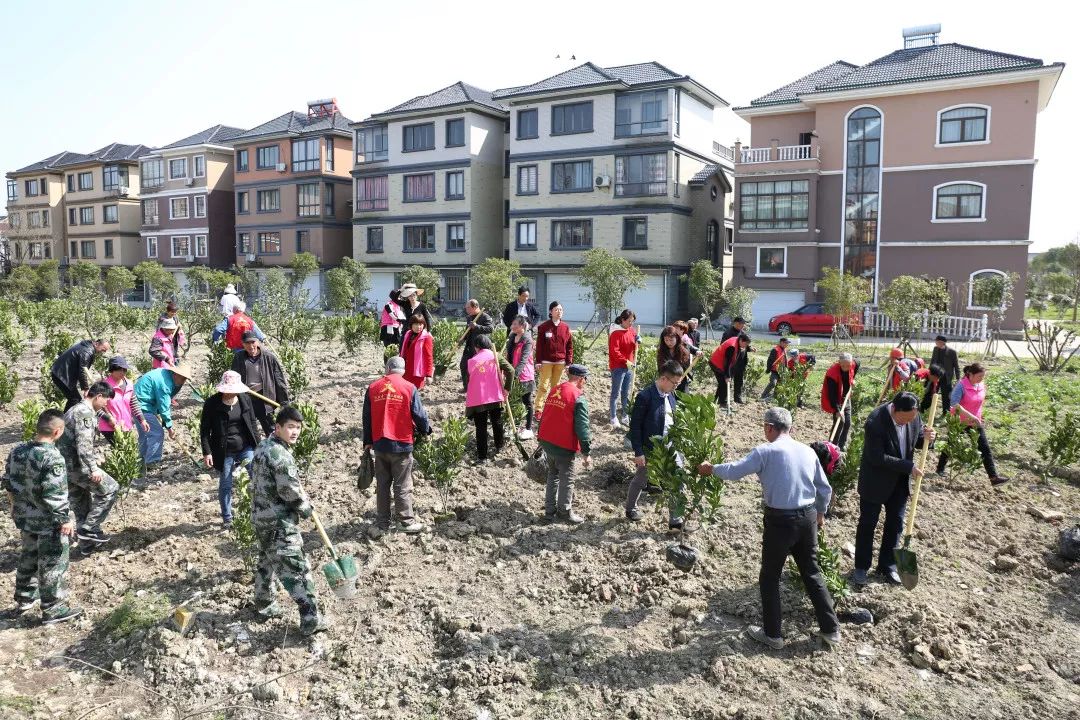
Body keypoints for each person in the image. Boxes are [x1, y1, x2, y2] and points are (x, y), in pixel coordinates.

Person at [698, 407, 840, 649]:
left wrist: (711, 469)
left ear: (769, 428)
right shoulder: (807, 451)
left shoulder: (765, 452)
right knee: (812, 572)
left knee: (770, 576)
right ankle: (831, 629)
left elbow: (735, 471)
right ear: (791, 428)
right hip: (806, 518)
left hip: (780, 521)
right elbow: (824, 488)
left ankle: (773, 635)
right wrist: (820, 513)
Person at [250, 406, 326, 636]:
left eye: (298, 428)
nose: (295, 432)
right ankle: (310, 618)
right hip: (279, 522)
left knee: (267, 560)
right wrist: (306, 509)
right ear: (278, 427)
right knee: (296, 568)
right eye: (290, 427)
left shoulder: (263, 446)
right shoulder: (281, 455)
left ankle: (264, 604)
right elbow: (290, 491)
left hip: (260, 517)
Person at [2, 409, 83, 624]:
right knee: (52, 562)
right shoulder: (52, 457)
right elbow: (53, 494)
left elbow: (8, 482)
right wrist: (65, 519)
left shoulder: (17, 451)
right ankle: (53, 608)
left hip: (25, 517)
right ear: (58, 432)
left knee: (28, 554)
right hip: (48, 521)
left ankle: (25, 598)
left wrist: (13, 507)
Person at [852, 392, 935, 586]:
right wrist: (908, 467)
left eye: (911, 419)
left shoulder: (913, 416)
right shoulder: (876, 421)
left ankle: (887, 565)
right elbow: (877, 457)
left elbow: (917, 439)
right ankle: (861, 567)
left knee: (896, 524)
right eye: (904, 419)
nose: (908, 423)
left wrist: (928, 438)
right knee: (867, 524)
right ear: (894, 410)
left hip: (899, 482)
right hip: (875, 481)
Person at [362, 357, 432, 535]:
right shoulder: (409, 387)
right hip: (401, 443)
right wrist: (426, 430)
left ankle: (382, 523)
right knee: (402, 484)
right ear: (403, 370)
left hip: (379, 444)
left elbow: (367, 418)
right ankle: (405, 522)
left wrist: (368, 442)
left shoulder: (372, 388)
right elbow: (419, 415)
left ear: (387, 369)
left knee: (383, 484)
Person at [57, 381, 118, 553]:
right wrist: (93, 468)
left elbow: (97, 417)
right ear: (98, 396)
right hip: (77, 467)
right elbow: (83, 446)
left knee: (82, 506)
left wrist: (107, 418)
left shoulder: (77, 409)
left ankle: (86, 546)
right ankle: (89, 529)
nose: (106, 404)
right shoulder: (84, 413)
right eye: (106, 400)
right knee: (111, 488)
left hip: (65, 469)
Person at [625, 361, 685, 523]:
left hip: (670, 447)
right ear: (664, 379)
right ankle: (631, 509)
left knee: (678, 480)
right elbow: (635, 427)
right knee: (641, 479)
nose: (676, 387)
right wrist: (639, 452)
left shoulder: (671, 395)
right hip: (651, 448)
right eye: (675, 383)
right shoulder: (645, 396)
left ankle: (676, 521)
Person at [200, 371, 262, 527]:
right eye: (226, 389)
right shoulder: (212, 404)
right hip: (223, 450)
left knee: (257, 475)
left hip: (245, 446)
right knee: (226, 483)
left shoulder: (245, 400)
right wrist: (207, 452)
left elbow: (253, 424)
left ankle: (260, 511)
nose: (229, 392)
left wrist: (259, 446)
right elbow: (205, 430)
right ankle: (227, 518)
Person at [936, 363, 1009, 487]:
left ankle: (993, 477)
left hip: (975, 422)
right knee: (951, 445)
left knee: (985, 448)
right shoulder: (961, 386)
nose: (982, 379)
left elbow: (979, 402)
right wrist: (972, 416)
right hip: (959, 421)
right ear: (970, 374)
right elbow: (954, 405)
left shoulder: (980, 385)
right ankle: (940, 468)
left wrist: (979, 416)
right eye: (980, 376)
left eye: (983, 376)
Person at [537, 364, 591, 524]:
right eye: (586, 379)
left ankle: (549, 511)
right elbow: (582, 427)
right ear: (581, 379)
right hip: (563, 445)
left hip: (548, 441)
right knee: (567, 478)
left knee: (552, 476)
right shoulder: (578, 397)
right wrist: (586, 452)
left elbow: (546, 413)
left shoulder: (555, 390)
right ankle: (564, 512)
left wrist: (540, 437)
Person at [231, 331, 289, 436]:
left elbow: (279, 380)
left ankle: (272, 448)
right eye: (247, 343)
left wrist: (284, 402)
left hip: (264, 396)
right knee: (247, 428)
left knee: (270, 428)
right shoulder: (238, 357)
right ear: (243, 344)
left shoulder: (269, 357)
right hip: (246, 396)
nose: (250, 346)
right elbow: (233, 378)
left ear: (257, 342)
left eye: (253, 342)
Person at [134, 365, 193, 466]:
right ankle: (151, 461)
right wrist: (170, 428)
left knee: (145, 434)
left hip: (139, 404)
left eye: (185, 379)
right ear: (175, 374)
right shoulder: (164, 383)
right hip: (140, 405)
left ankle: (141, 461)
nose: (183, 381)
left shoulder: (166, 375)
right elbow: (164, 407)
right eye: (182, 378)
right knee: (157, 433)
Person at [466, 335, 508, 464]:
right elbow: (510, 370)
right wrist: (507, 388)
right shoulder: (496, 356)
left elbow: (470, 377)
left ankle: (482, 457)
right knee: (497, 421)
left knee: (481, 427)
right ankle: (499, 446)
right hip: (495, 395)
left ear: (477, 347)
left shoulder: (472, 360)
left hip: (479, 398)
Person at [98, 356, 149, 445]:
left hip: (126, 425)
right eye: (119, 369)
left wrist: (142, 420)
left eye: (124, 370)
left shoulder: (129, 383)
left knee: (128, 450)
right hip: (110, 427)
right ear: (112, 370)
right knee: (121, 450)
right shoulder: (104, 386)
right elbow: (97, 408)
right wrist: (108, 418)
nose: (122, 372)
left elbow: (133, 403)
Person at [50, 339, 110, 411]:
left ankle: (65, 419)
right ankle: (65, 420)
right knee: (75, 399)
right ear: (97, 344)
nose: (103, 352)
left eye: (105, 351)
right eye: (103, 349)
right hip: (60, 374)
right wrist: (86, 389)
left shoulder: (87, 346)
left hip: (60, 372)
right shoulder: (87, 352)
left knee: (74, 399)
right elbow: (83, 371)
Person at [821, 353, 860, 449]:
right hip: (836, 399)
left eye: (848, 366)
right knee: (839, 422)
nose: (846, 368)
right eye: (843, 366)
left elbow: (858, 363)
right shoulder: (832, 374)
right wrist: (837, 410)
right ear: (839, 363)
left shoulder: (854, 364)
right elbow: (832, 394)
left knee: (847, 423)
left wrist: (853, 379)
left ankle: (842, 445)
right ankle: (832, 446)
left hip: (846, 397)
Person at [506, 317, 536, 439]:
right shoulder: (512, 338)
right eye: (512, 323)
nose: (512, 326)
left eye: (515, 324)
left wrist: (515, 374)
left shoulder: (527, 340)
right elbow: (509, 356)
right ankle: (515, 427)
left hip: (524, 375)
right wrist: (507, 371)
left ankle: (528, 428)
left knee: (526, 401)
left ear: (522, 326)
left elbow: (523, 360)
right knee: (514, 401)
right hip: (513, 373)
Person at [608, 309, 638, 429]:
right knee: (616, 393)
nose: (631, 324)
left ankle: (625, 415)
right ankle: (613, 417)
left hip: (629, 366)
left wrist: (637, 338)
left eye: (633, 321)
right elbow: (615, 352)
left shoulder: (630, 330)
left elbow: (634, 338)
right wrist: (626, 362)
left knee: (626, 393)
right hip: (618, 367)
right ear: (622, 320)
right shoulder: (615, 333)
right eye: (629, 321)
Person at [459, 299, 495, 392]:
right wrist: (462, 339)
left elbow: (490, 329)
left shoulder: (485, 317)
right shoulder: (469, 317)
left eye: (468, 308)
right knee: (464, 365)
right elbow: (468, 331)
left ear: (475, 307)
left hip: (480, 347)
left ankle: (480, 388)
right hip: (469, 346)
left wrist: (477, 326)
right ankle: (467, 388)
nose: (466, 309)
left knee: (479, 369)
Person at [710, 332, 750, 405]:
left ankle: (716, 400)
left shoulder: (737, 339)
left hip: (721, 363)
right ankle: (721, 402)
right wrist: (727, 376)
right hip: (716, 363)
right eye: (745, 344)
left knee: (722, 383)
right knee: (724, 383)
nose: (745, 346)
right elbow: (727, 363)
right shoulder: (732, 347)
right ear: (741, 340)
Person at [400, 314, 434, 390]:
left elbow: (429, 356)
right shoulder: (408, 334)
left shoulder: (426, 337)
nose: (418, 327)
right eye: (416, 324)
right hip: (406, 369)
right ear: (411, 325)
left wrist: (429, 374)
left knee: (414, 392)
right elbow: (403, 351)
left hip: (417, 372)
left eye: (420, 324)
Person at [929, 335, 960, 413]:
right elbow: (933, 361)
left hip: (946, 377)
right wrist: (930, 372)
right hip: (936, 375)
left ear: (941, 342)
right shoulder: (935, 349)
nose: (935, 343)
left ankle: (946, 411)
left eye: (936, 341)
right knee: (932, 392)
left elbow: (956, 365)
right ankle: (930, 410)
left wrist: (958, 378)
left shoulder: (952, 352)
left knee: (946, 395)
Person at [657, 325, 692, 393]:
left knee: (683, 399)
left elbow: (685, 367)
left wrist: (678, 379)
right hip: (668, 381)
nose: (669, 343)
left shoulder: (683, 351)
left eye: (671, 340)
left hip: (681, 380)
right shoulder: (661, 351)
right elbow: (661, 368)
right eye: (666, 340)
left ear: (677, 338)